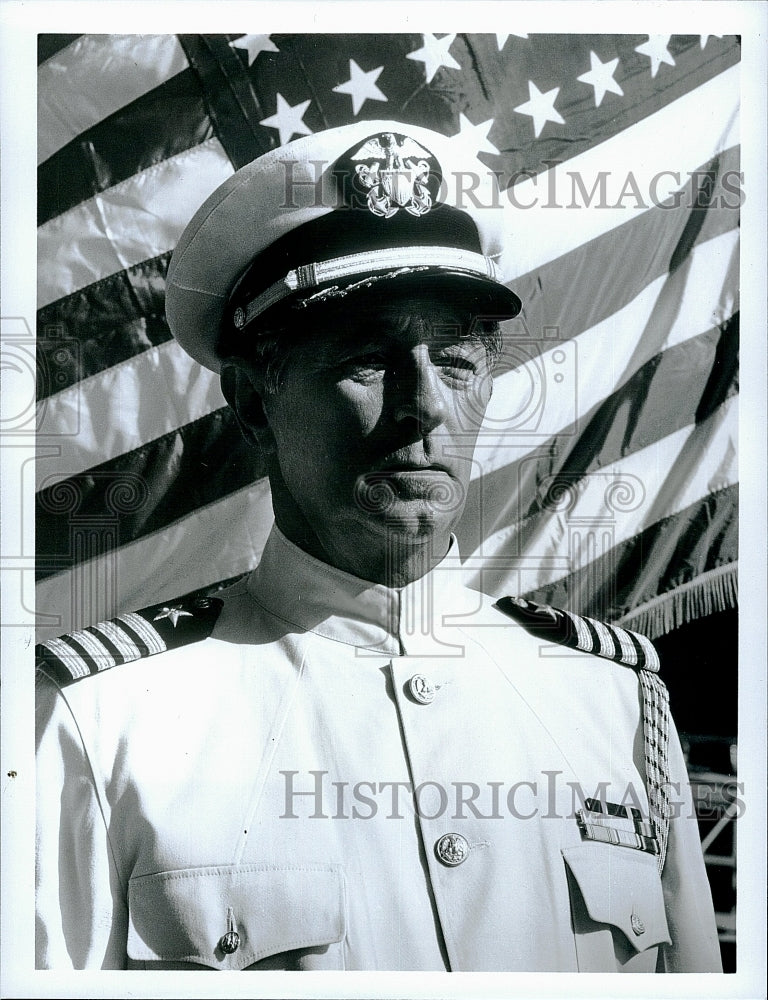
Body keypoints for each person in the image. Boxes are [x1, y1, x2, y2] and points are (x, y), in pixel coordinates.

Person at [35, 120, 722, 972]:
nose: (425, 406)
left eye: (458, 362)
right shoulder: (101, 722)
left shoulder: (612, 700)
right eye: (368, 358)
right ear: (253, 403)